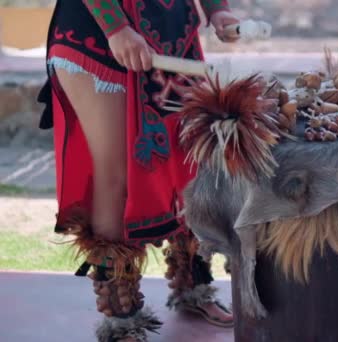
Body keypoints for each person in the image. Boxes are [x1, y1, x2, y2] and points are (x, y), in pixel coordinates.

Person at [36, 0, 239, 340]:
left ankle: (194, 286)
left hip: (172, 32)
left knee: (188, 162)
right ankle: (121, 316)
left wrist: (218, 8)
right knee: (114, 175)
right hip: (99, 35)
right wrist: (116, 27)